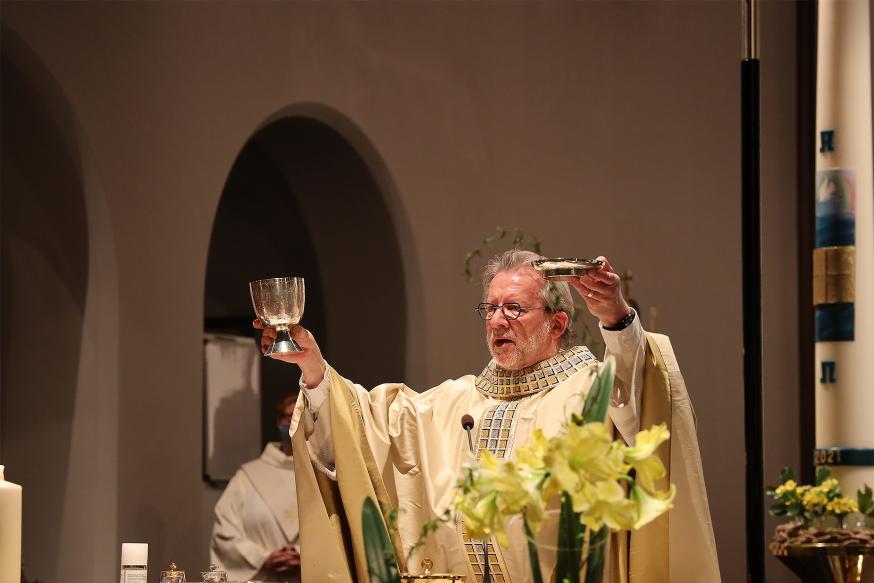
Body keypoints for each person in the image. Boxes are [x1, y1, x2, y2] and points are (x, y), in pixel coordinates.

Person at [258, 250, 720, 582]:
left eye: (514, 308)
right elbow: (362, 429)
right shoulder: (452, 403)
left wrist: (617, 320)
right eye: (491, 308)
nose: (498, 320)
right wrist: (315, 370)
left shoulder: (593, 392)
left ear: (558, 324)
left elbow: (649, 401)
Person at [210, 394, 301, 583]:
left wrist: (304, 556)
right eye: (288, 416)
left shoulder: (323, 477)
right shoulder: (247, 477)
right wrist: (263, 558)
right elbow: (224, 533)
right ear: (278, 422)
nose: (293, 422)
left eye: (301, 415)